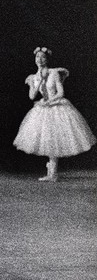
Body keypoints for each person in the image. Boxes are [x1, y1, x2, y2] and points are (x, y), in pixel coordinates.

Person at [13, 47, 96, 181]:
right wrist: (38, 80)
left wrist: (50, 101)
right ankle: (52, 173)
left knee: (56, 136)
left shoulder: (54, 73)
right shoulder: (33, 77)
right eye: (37, 57)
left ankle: (53, 173)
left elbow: (60, 92)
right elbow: (32, 96)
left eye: (43, 57)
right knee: (48, 137)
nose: (39, 60)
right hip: (43, 107)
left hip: (57, 106)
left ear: (47, 59)